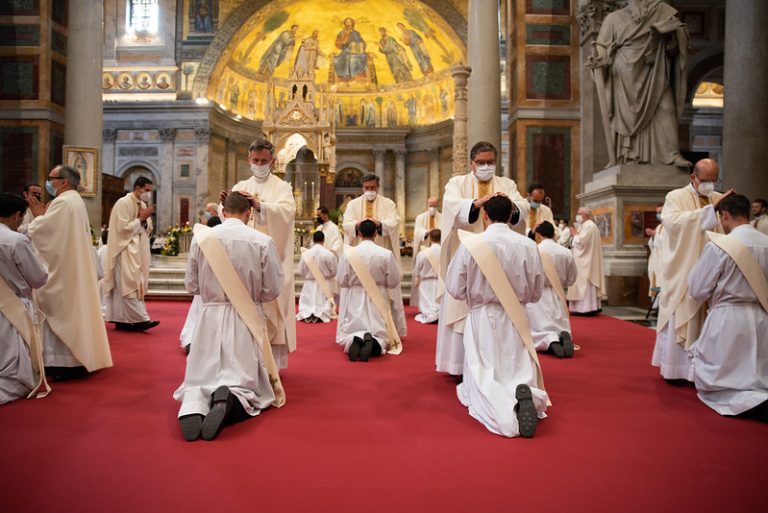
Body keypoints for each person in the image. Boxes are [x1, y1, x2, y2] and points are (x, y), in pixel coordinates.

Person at [174, 192, 285, 441]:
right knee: (242, 378)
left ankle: (193, 405)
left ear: (223, 212)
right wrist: (251, 296)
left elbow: (191, 285)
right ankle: (231, 399)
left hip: (209, 316)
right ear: (249, 213)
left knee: (201, 376)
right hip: (246, 316)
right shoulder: (262, 241)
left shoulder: (202, 239)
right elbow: (273, 288)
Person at [445, 195, 548, 438]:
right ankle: (525, 393)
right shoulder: (528, 245)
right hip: (517, 316)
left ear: (484, 215)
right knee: (517, 365)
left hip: (483, 315)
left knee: (484, 369)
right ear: (512, 215)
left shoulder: (472, 244)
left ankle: (504, 408)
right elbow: (536, 291)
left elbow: (454, 287)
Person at [437, 141, 530, 376]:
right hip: (467, 254)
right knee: (461, 307)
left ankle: (496, 365)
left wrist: (507, 204)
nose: (486, 166)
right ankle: (459, 366)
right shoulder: (457, 183)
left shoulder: (507, 184)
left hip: (499, 258)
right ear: (472, 163)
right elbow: (450, 207)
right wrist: (475, 204)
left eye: (490, 162)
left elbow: (522, 207)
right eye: (481, 162)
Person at [687, 194, 768, 422]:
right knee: (758, 374)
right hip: (761, 317)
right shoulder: (766, 242)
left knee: (729, 381)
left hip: (728, 318)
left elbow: (698, 289)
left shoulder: (720, 246)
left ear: (724, 215)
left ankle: (751, 404)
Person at [27, 165, 112, 381]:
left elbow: (43, 233)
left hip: (64, 272)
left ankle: (61, 363)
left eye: (51, 178)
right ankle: (73, 361)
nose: (48, 182)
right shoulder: (75, 200)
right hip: (70, 268)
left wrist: (37, 218)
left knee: (60, 313)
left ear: (64, 182)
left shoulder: (63, 202)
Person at [220, 138, 296, 368]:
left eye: (264, 161)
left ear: (273, 161)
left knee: (271, 308)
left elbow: (286, 213)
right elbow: (229, 221)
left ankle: (271, 365)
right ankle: (244, 361)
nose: (259, 165)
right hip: (242, 262)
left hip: (270, 260)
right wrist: (226, 206)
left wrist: (260, 206)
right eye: (256, 160)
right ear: (249, 159)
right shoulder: (240, 185)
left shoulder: (282, 187)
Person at [653, 159, 729, 385]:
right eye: (706, 180)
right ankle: (677, 370)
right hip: (684, 270)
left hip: (713, 270)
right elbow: (673, 223)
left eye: (714, 180)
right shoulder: (675, 197)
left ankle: (704, 371)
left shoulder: (718, 198)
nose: (710, 185)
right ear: (693, 177)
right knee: (684, 317)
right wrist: (710, 211)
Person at [588, 0, 689, 167]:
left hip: (655, 69)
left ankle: (671, 153)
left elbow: (674, 47)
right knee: (628, 117)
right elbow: (601, 49)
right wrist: (599, 59)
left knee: (667, 109)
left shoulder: (662, 10)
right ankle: (628, 155)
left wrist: (673, 39)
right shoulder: (613, 18)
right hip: (625, 75)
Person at [341, 173, 406, 338]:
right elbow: (346, 224)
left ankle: (388, 329)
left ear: (378, 187)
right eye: (367, 188)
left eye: (373, 187)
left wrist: (380, 224)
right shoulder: (353, 204)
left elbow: (394, 222)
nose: (370, 190)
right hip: (359, 255)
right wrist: (358, 224)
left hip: (380, 254)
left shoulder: (388, 203)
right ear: (362, 187)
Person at [0, 193, 49, 404]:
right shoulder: (16, 241)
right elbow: (37, 278)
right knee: (12, 363)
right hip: (13, 306)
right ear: (16, 215)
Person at [336, 220, 401, 362]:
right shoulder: (386, 254)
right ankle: (374, 341)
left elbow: (341, 280)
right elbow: (394, 281)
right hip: (378, 296)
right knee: (380, 329)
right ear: (376, 233)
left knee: (354, 326)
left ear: (359, 233)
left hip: (355, 296)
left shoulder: (348, 254)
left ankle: (356, 340)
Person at [103, 176, 159, 332]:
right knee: (129, 284)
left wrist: (144, 221)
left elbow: (148, 228)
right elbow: (122, 230)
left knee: (130, 284)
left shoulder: (143, 204)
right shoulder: (123, 203)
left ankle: (121, 320)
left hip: (138, 251)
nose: (148, 193)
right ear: (137, 188)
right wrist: (140, 219)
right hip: (124, 250)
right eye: (146, 190)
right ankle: (141, 319)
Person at [526, 221, 577, 358]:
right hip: (557, 292)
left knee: (539, 326)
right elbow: (572, 277)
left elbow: (528, 274)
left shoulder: (533, 251)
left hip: (538, 293)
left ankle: (550, 340)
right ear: (553, 234)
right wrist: (561, 284)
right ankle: (562, 335)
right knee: (558, 320)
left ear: (538, 235)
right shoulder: (566, 252)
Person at [566, 207, 606, 315]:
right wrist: (574, 236)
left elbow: (582, 242)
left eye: (579, 213)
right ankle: (579, 308)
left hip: (586, 262)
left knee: (585, 284)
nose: (577, 216)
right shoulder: (584, 226)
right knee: (580, 283)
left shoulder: (590, 226)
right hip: (582, 260)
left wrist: (574, 234)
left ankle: (585, 309)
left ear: (586, 215)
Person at [296, 231, 338, 324]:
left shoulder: (306, 254)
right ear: (323, 240)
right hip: (324, 283)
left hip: (309, 283)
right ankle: (321, 314)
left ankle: (307, 313)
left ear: (313, 240)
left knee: (308, 299)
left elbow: (300, 270)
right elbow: (334, 271)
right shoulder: (329, 254)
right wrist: (327, 276)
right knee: (322, 300)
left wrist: (308, 276)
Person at [411, 229, 441, 324]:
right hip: (440, 282)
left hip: (425, 282)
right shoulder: (444, 252)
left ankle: (429, 315)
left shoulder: (423, 253)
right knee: (437, 301)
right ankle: (438, 315)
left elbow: (417, 270)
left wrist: (417, 278)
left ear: (430, 238)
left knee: (428, 301)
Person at [412, 197, 442, 261]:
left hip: (438, 247)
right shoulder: (420, 217)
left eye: (434, 206)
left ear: (437, 206)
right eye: (430, 206)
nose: (432, 208)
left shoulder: (442, 217)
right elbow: (417, 231)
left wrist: (437, 232)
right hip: (424, 247)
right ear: (427, 205)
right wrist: (426, 232)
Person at [646, 203, 664, 303]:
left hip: (663, 261)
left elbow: (667, 243)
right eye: (657, 213)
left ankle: (660, 305)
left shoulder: (669, 227)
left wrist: (655, 235)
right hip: (656, 260)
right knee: (655, 280)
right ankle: (656, 305)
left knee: (661, 281)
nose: (658, 215)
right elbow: (652, 245)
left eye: (660, 212)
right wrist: (653, 236)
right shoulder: (659, 227)